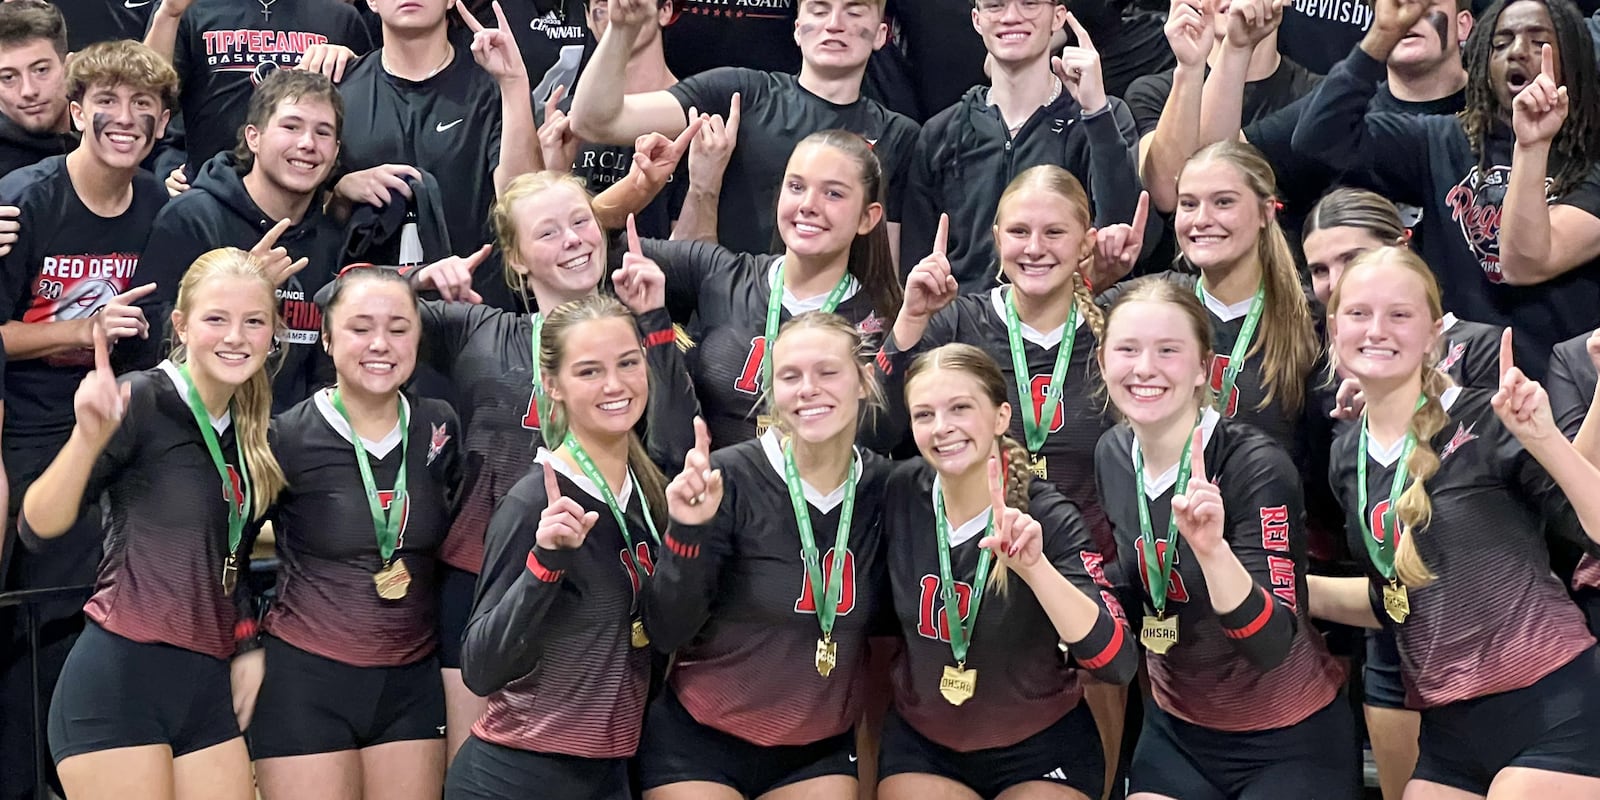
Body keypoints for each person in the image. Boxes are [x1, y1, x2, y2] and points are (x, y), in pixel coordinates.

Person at [405, 168, 698, 762]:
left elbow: (673, 448)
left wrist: (655, 323)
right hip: (483, 573)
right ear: (514, 260)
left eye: (582, 222)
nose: (574, 239)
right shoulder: (477, 329)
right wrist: (419, 281)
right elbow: (343, 307)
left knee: (595, 757)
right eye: (548, 233)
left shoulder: (632, 342)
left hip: (601, 574)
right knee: (485, 752)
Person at [885, 165, 1145, 792]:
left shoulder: (1115, 331)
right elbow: (880, 417)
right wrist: (910, 319)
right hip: (970, 565)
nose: (1035, 247)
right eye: (1020, 231)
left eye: (1055, 232)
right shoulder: (957, 319)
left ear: (1087, 239)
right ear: (995, 235)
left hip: (1081, 572)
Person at [1317, 244, 1600, 796]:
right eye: (1359, 313)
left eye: (1399, 315)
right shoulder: (1345, 453)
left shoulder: (1488, 418)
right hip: (1448, 730)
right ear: (1334, 329)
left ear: (1431, 335)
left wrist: (1543, 438)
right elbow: (1396, 599)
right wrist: (1282, 591)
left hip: (1553, 703)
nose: (1377, 330)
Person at [20, 248, 287, 799]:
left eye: (253, 321)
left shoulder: (251, 430)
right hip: (120, 685)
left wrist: (247, 644)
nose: (235, 336)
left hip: (205, 690)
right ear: (183, 326)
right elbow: (35, 527)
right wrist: (86, 438)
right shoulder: (141, 399)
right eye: (217, 318)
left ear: (273, 333)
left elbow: (222, 558)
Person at [1092, 277, 1355, 799]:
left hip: (1288, 735)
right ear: (1102, 363)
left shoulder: (1255, 466)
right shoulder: (1113, 452)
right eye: (1127, 350)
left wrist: (1213, 553)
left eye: (1168, 351)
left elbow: (1271, 644)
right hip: (1178, 735)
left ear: (1202, 368)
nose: (1144, 368)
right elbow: (1136, 577)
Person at [0, 40, 176, 800]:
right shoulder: (25, 201)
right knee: (39, 628)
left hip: (124, 434)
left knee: (113, 622)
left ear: (164, 123)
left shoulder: (164, 210)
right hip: (33, 430)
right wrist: (81, 330)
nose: (124, 118)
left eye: (142, 106)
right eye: (106, 100)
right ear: (76, 112)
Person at [640, 313, 890, 799]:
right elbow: (667, 630)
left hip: (817, 750)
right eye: (790, 376)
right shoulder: (725, 479)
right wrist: (687, 533)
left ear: (863, 381)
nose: (809, 389)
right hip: (699, 739)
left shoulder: (886, 488)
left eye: (828, 372)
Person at [876, 343, 1137, 799]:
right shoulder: (896, 493)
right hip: (925, 745)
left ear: (1000, 417)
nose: (942, 429)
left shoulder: (1046, 515)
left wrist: (1036, 570)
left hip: (1040, 747)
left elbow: (1117, 662)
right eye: (923, 415)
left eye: (961, 408)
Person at [1291, 0, 1600, 376]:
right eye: (1500, 44)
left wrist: (1531, 145)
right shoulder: (1442, 140)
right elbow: (1319, 138)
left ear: (1575, 56)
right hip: (1456, 385)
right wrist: (1381, 38)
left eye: (1539, 43)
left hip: (1562, 390)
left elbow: (1525, 262)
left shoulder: (1592, 159)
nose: (1517, 52)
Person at [448, 294, 675, 799]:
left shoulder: (652, 493)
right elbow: (481, 667)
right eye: (589, 371)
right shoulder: (535, 500)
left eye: (628, 363)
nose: (615, 385)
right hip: (516, 777)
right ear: (553, 385)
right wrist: (545, 565)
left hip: (610, 775)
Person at [249, 268, 461, 799]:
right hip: (308, 679)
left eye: (398, 328)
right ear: (326, 338)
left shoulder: (440, 426)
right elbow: (223, 543)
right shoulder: (287, 436)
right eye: (360, 328)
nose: (380, 345)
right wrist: (241, 645)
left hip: (410, 684)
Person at [570, 0, 919, 260]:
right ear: (797, 28)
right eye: (818, 10)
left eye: (854, 12)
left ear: (881, 34)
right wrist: (620, 32)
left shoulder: (899, 135)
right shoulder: (739, 94)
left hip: (830, 330)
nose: (834, 24)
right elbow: (595, 120)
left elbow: (885, 264)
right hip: (731, 320)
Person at [642, 130, 902, 449]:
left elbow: (886, 439)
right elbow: (598, 247)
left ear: (867, 217)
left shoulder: (886, 321)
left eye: (833, 194)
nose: (808, 205)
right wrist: (639, 188)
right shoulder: (720, 273)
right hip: (715, 492)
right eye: (796, 187)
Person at [900, 0, 1144, 294]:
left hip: (1072, 318)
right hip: (963, 323)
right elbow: (915, 263)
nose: (1011, 17)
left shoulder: (1105, 116)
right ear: (977, 20)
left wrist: (1095, 113)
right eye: (995, 6)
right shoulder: (941, 133)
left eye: (1029, 3)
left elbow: (1122, 236)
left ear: (1058, 17)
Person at [139, 69, 345, 412]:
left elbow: (323, 366)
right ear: (254, 137)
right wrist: (243, 285)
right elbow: (145, 343)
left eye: (323, 132)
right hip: (195, 428)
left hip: (287, 438)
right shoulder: (193, 217)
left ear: (335, 151)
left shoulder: (330, 237)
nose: (308, 143)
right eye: (291, 127)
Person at [1107, 141, 1317, 454]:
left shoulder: (1309, 316)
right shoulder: (1150, 302)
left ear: (1266, 211)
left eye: (1223, 202)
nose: (1201, 219)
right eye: (1189, 204)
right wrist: (1095, 277)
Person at [337, 0, 539, 311]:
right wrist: (340, 190)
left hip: (477, 304)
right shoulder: (341, 88)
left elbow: (523, 199)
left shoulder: (491, 84)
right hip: (370, 311)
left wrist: (513, 85)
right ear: (372, 2)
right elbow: (310, 215)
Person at [1131, 0, 1318, 218]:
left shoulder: (1317, 94)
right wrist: (1190, 68)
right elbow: (1169, 194)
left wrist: (1238, 47)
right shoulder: (1153, 92)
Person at [1305, 188, 1504, 393]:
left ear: (1400, 250)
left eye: (1353, 259)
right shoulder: (1316, 367)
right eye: (1320, 270)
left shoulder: (1480, 349)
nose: (1336, 282)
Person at [0, 0, 74, 179]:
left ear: (70, 67)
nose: (28, 90)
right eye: (8, 77)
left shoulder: (107, 138)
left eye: (41, 70)